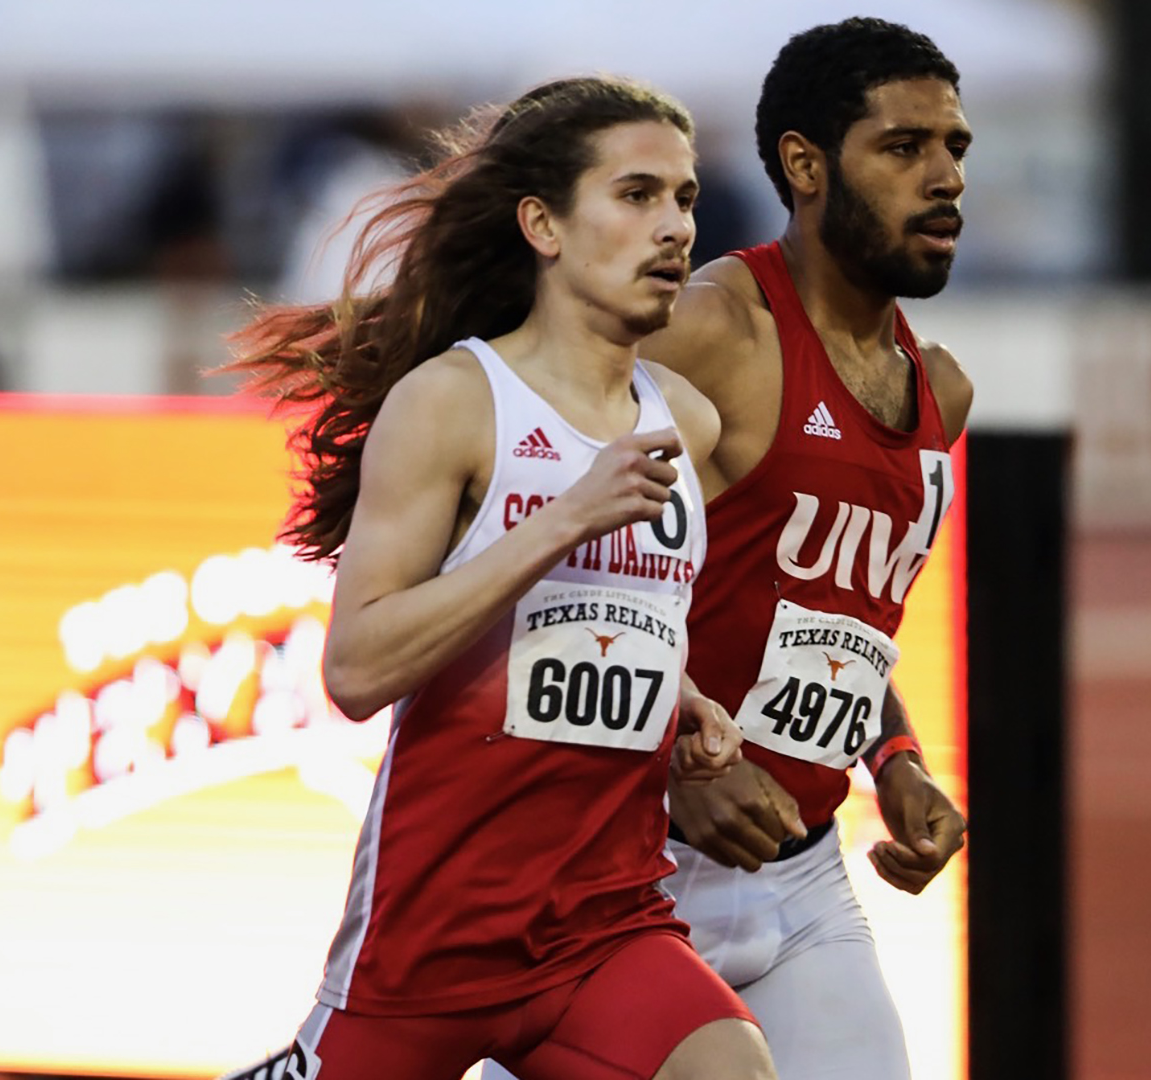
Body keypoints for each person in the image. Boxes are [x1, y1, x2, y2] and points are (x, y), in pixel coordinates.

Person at [223, 76, 777, 1080]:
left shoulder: (686, 423)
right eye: (637, 195)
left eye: (687, 200)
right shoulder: (454, 403)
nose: (673, 230)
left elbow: (599, 623)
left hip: (603, 929)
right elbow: (355, 670)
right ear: (543, 225)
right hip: (432, 944)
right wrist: (564, 519)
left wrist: (681, 698)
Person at [499, 19, 973, 1080]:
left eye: (955, 148)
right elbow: (533, 564)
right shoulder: (714, 330)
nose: (944, 178)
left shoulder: (940, 391)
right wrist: (675, 753)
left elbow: (837, 624)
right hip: (619, 871)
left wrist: (893, 760)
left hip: (801, 881)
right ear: (805, 165)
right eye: (903, 148)